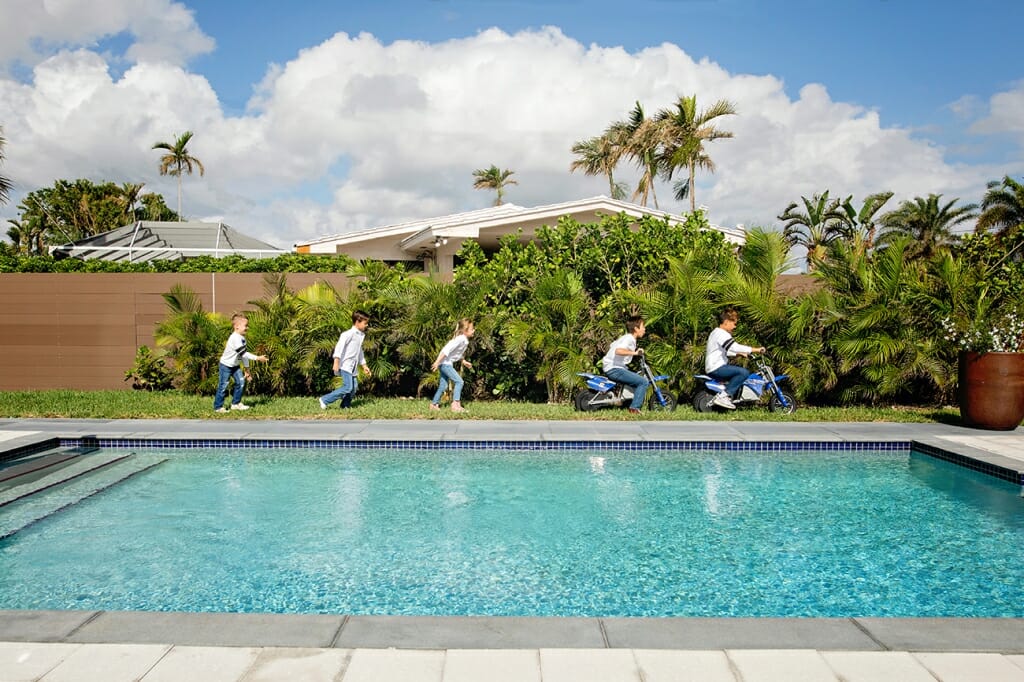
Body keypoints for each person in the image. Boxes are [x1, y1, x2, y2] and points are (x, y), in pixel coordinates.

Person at [705, 308, 765, 409]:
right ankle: (724, 396)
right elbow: (734, 346)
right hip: (717, 368)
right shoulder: (721, 334)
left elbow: (725, 351)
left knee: (739, 374)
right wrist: (756, 349)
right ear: (727, 322)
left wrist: (739, 354)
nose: (735, 326)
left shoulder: (715, 332)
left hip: (714, 366)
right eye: (734, 323)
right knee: (743, 373)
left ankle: (727, 396)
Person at [214, 313, 268, 413]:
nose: (247, 328)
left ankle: (236, 404)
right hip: (225, 366)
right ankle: (218, 407)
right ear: (237, 326)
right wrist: (258, 358)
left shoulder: (242, 338)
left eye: (247, 325)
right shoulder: (234, 338)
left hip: (235, 366)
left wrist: (247, 370)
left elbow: (243, 356)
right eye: (245, 325)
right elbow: (244, 353)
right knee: (223, 386)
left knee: (241, 383)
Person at [319, 310, 372, 409]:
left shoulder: (360, 335)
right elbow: (339, 347)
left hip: (353, 366)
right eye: (365, 323)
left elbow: (359, 351)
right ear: (357, 322)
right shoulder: (348, 334)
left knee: (353, 388)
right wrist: (336, 362)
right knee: (348, 387)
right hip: (345, 365)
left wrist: (364, 366)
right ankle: (324, 399)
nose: (367, 325)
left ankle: (345, 405)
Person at [601, 315, 648, 414]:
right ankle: (634, 408)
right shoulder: (629, 339)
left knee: (636, 380)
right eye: (643, 326)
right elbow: (618, 351)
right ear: (636, 328)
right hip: (614, 369)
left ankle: (627, 403)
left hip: (613, 367)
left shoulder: (627, 338)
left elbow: (613, 346)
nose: (644, 329)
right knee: (643, 382)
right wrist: (635, 353)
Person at [430, 319, 475, 412]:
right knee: (459, 382)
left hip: (444, 363)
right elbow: (446, 350)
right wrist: (437, 362)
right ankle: (456, 405)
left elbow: (456, 354)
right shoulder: (460, 339)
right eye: (472, 329)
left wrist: (464, 361)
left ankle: (434, 404)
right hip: (445, 364)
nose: (473, 330)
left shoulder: (464, 340)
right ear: (465, 330)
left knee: (443, 385)